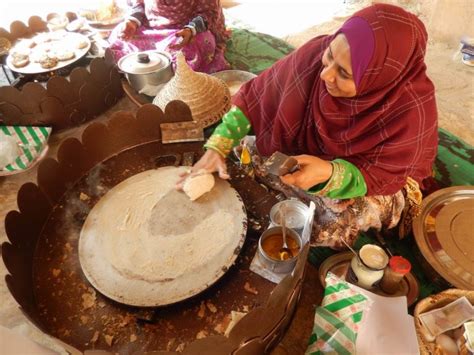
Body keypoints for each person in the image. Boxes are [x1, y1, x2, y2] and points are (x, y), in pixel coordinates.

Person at [178, 3, 438, 248]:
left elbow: (382, 172)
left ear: (379, 80)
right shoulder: (315, 55)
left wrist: (330, 173)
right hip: (303, 151)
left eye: (345, 73)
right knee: (243, 151)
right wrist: (217, 146)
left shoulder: (409, 111)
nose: (325, 74)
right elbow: (257, 97)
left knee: (326, 225)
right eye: (330, 56)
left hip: (359, 174)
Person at [108, 0, 230, 73]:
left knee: (203, 42)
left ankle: (176, 72)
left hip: (187, 31)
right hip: (152, 29)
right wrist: (132, 22)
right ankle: (157, 62)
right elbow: (138, 4)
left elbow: (208, 13)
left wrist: (191, 29)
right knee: (119, 34)